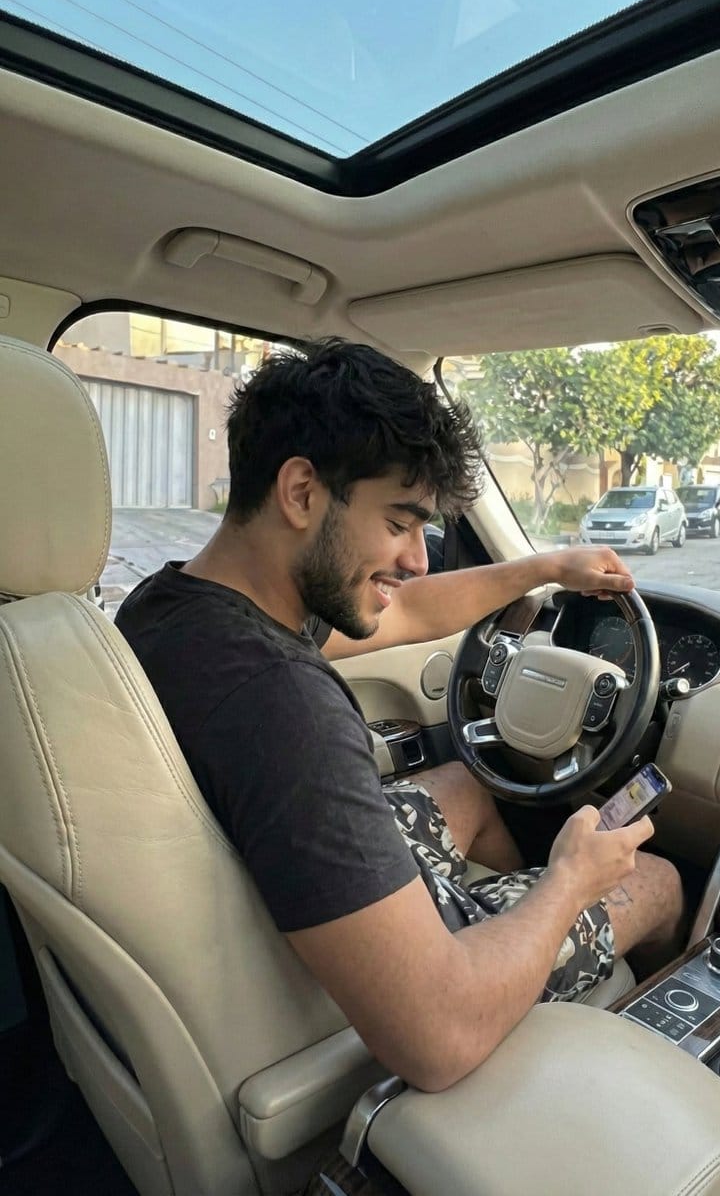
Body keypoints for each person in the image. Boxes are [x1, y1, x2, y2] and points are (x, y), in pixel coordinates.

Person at [115, 339, 683, 1191]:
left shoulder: (175, 607)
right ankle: (611, 1042)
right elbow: (436, 1036)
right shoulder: (280, 702)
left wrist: (546, 567)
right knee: (658, 879)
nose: (417, 557)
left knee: (465, 783)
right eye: (399, 521)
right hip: (369, 997)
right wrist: (567, 881)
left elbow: (401, 610)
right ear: (301, 491)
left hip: (255, 902)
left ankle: (520, 940)